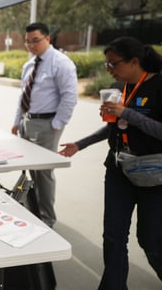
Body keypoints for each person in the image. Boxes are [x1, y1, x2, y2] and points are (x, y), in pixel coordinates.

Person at [59, 36, 162, 289]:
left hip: (153, 174)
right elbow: (113, 127)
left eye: (113, 64)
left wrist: (126, 113)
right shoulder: (120, 87)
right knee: (113, 238)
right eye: (107, 65)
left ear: (134, 61)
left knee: (150, 240)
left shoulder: (159, 86)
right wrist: (79, 144)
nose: (109, 70)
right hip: (118, 171)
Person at [11, 22, 78, 227]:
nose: (32, 45)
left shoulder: (61, 63)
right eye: (28, 41)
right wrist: (17, 121)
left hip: (47, 123)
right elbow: (24, 95)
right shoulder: (30, 64)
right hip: (28, 122)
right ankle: (36, 210)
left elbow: (70, 97)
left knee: (44, 173)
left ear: (48, 39)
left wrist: (56, 124)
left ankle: (47, 219)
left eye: (36, 40)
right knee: (32, 170)